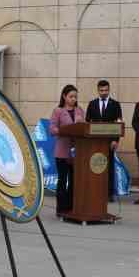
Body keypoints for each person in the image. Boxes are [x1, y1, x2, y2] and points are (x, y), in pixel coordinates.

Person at [50, 85, 83, 215]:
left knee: (74, 180)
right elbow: (52, 129)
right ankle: (61, 208)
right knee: (63, 180)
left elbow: (85, 128)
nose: (73, 99)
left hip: (76, 152)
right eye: (71, 96)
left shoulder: (80, 110)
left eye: (75, 97)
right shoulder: (58, 111)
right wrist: (64, 131)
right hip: (62, 151)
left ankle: (71, 207)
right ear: (64, 96)